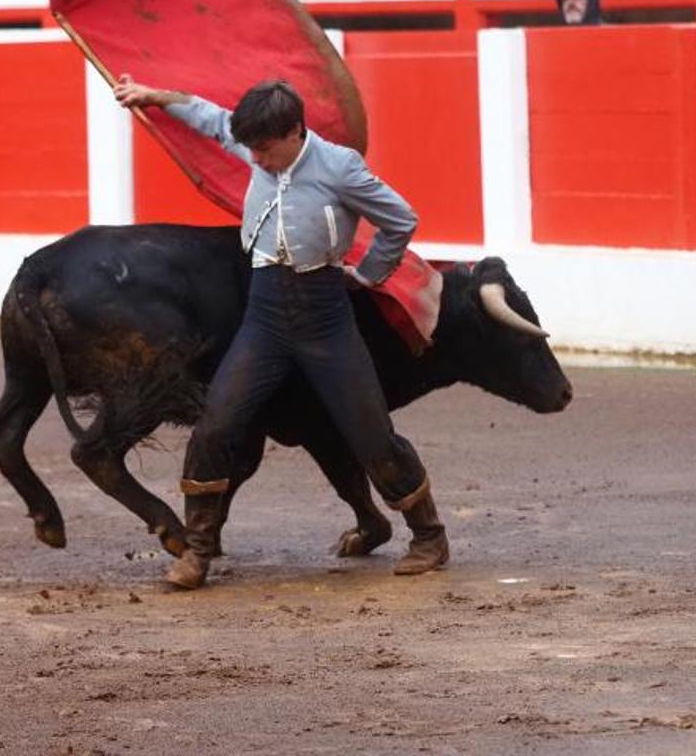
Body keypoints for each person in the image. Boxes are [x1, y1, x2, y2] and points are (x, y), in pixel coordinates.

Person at [113, 75, 449, 589]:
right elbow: (208, 117)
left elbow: (400, 219)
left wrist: (368, 274)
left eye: (266, 150)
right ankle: (199, 550)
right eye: (252, 149)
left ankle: (429, 537)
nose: (257, 161)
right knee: (216, 423)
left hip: (325, 316)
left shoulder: (339, 167)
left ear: (295, 132)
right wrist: (152, 96)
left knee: (370, 432)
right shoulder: (256, 139)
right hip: (264, 315)